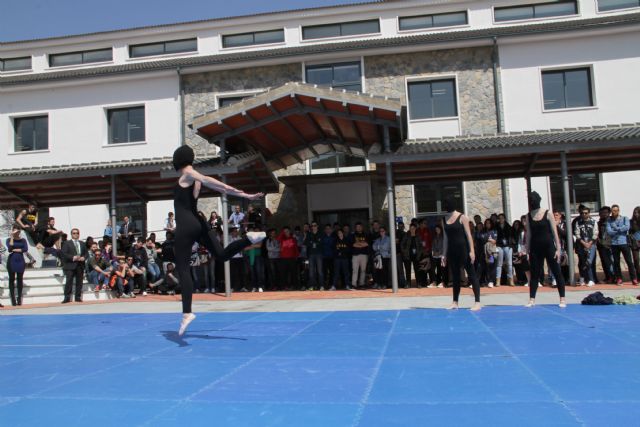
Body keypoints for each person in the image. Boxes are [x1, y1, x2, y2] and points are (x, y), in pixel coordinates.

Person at [172, 145, 265, 335]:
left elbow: (211, 182)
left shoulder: (188, 173)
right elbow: (212, 185)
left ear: (178, 159)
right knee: (222, 255)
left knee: (182, 268)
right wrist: (242, 194)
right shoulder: (193, 178)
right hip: (199, 222)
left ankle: (187, 313)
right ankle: (248, 239)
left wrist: (242, 193)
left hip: (186, 225)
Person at [524, 191, 566, 308]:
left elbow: (554, 232)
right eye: (531, 200)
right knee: (535, 274)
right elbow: (529, 235)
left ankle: (562, 298)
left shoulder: (548, 213)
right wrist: (527, 250)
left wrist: (558, 249)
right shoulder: (528, 216)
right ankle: (532, 299)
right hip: (535, 248)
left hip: (548, 246)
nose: (532, 202)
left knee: (556, 271)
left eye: (534, 199)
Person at [441, 198, 481, 311]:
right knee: (456, 277)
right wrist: (444, 254)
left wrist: (472, 251)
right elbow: (445, 239)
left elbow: (469, 235)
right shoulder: (444, 219)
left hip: (464, 250)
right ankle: (455, 302)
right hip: (452, 252)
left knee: (472, 275)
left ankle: (477, 302)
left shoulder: (462, 217)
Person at [606, 204, 638, 285]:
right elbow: (609, 231)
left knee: (629, 262)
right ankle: (619, 278)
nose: (614, 212)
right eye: (613, 211)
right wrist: (620, 230)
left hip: (624, 243)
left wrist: (616, 229)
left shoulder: (624, 218)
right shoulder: (609, 220)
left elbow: (627, 227)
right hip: (614, 244)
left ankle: (634, 278)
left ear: (619, 211)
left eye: (616, 210)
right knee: (616, 262)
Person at [61, 228, 88, 303]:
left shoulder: (82, 243)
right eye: (74, 233)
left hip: (80, 265)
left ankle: (78, 297)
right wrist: (73, 257)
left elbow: (86, 253)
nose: (76, 234)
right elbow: (64, 254)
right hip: (70, 265)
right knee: (69, 281)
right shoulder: (67, 243)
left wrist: (84, 257)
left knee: (79, 282)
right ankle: (67, 297)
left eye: (77, 233)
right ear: (71, 234)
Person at [574, 206, 598, 287]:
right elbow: (577, 233)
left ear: (589, 213)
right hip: (581, 244)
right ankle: (583, 278)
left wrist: (590, 243)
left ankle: (591, 279)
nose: (584, 214)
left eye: (586, 213)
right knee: (582, 262)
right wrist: (584, 243)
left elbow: (596, 233)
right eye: (582, 213)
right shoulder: (578, 222)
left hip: (592, 244)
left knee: (589, 262)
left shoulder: (593, 222)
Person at [7, 224, 28, 306]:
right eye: (14, 230)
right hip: (12, 260)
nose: (16, 232)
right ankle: (13, 299)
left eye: (17, 230)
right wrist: (12, 236)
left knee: (20, 279)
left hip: (20, 260)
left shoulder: (23, 240)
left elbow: (25, 249)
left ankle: (19, 298)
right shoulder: (9, 239)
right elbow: (10, 248)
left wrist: (16, 249)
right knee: (11, 279)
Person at [401, 223, 424, 289]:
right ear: (409, 229)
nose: (412, 230)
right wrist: (405, 252)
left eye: (413, 228)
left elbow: (421, 246)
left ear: (415, 229)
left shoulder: (418, 236)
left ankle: (418, 283)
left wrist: (419, 254)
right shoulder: (406, 235)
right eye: (411, 228)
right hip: (408, 255)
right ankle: (408, 284)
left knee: (417, 270)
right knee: (408, 270)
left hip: (416, 256)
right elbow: (402, 245)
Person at [495, 213, 515, 287]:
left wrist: (511, 245)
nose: (501, 219)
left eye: (502, 218)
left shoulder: (509, 226)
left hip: (508, 246)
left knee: (509, 263)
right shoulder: (496, 226)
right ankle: (498, 280)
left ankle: (511, 279)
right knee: (499, 263)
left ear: (504, 218)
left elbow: (512, 235)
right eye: (499, 218)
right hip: (499, 246)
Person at [596, 206, 615, 284]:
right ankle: (608, 277)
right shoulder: (599, 223)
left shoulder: (612, 222)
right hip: (601, 245)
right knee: (605, 263)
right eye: (601, 213)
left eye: (605, 213)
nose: (603, 214)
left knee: (613, 262)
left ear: (609, 213)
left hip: (611, 245)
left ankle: (615, 277)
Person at [278, 226, 299, 291]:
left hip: (292, 258)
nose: (286, 232)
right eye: (285, 231)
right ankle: (284, 286)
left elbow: (296, 248)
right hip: (283, 259)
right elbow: (278, 239)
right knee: (283, 274)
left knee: (293, 273)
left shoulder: (293, 238)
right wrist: (282, 233)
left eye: (287, 231)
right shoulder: (282, 238)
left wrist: (296, 256)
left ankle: (294, 286)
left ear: (289, 231)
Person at [304, 222, 324, 291]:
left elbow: (322, 243)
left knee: (320, 271)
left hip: (319, 254)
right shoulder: (309, 234)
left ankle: (321, 285)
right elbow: (305, 243)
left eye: (315, 225)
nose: (313, 227)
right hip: (311, 254)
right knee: (311, 271)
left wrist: (312, 242)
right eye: (312, 226)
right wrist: (313, 243)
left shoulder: (321, 233)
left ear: (317, 226)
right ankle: (312, 286)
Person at [350, 222, 370, 290]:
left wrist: (358, 243)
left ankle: (361, 284)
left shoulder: (366, 234)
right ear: (355, 228)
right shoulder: (353, 235)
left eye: (359, 226)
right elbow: (353, 244)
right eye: (357, 227)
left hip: (364, 255)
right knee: (355, 270)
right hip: (355, 255)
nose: (358, 228)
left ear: (362, 227)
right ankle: (354, 284)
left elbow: (367, 244)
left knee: (363, 270)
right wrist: (362, 244)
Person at [630, 206, 640, 283]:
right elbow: (630, 233)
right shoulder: (631, 222)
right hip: (635, 243)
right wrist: (634, 239)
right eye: (635, 212)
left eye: (638, 212)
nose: (636, 214)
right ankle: (638, 276)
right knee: (636, 260)